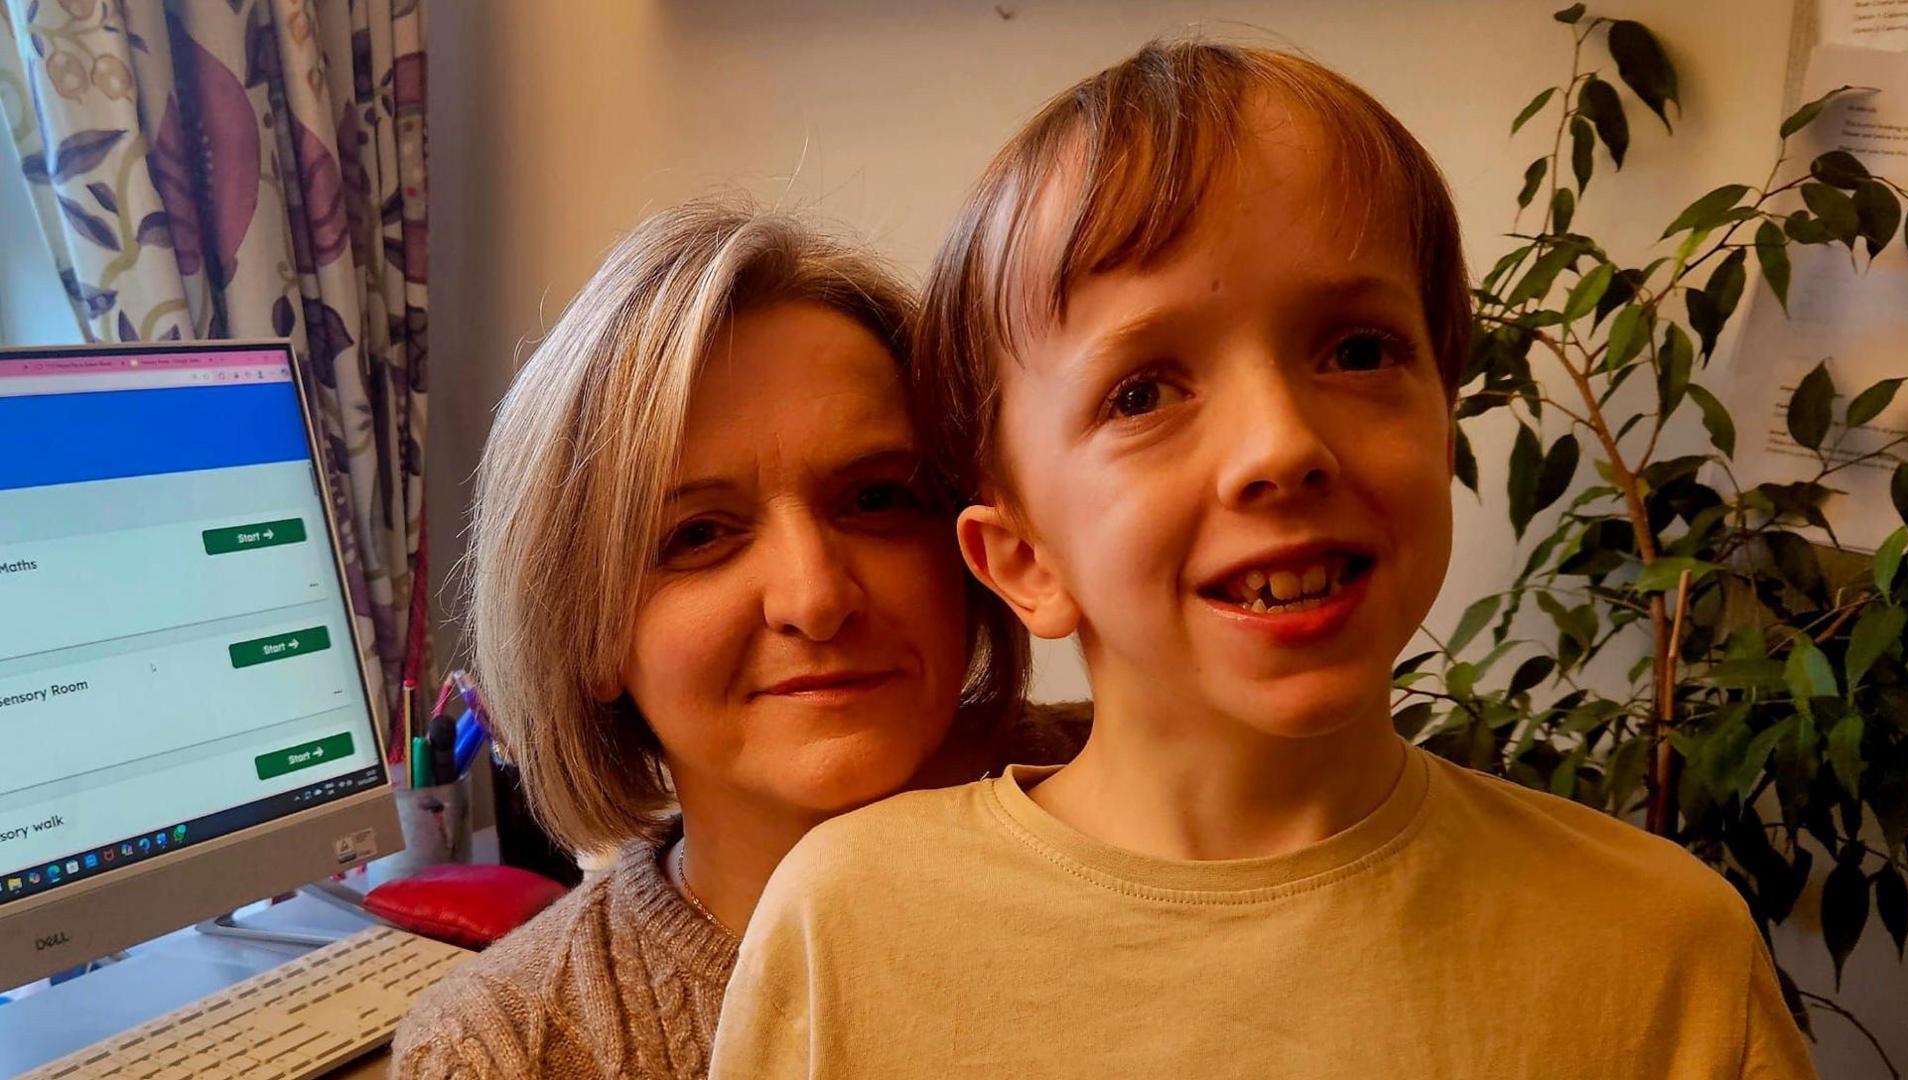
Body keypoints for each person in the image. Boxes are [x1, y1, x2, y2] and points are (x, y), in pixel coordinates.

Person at [709, 41, 1816, 1077]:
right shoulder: (848, 925)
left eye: (1357, 349)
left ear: (1443, 423)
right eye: (1143, 392)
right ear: (1023, 561)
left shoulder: (1666, 946)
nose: (1282, 446)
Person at [390, 202, 1086, 1079]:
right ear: (590, 632)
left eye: (876, 498)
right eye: (699, 535)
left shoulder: (1207, 793)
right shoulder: (509, 1051)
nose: (816, 597)